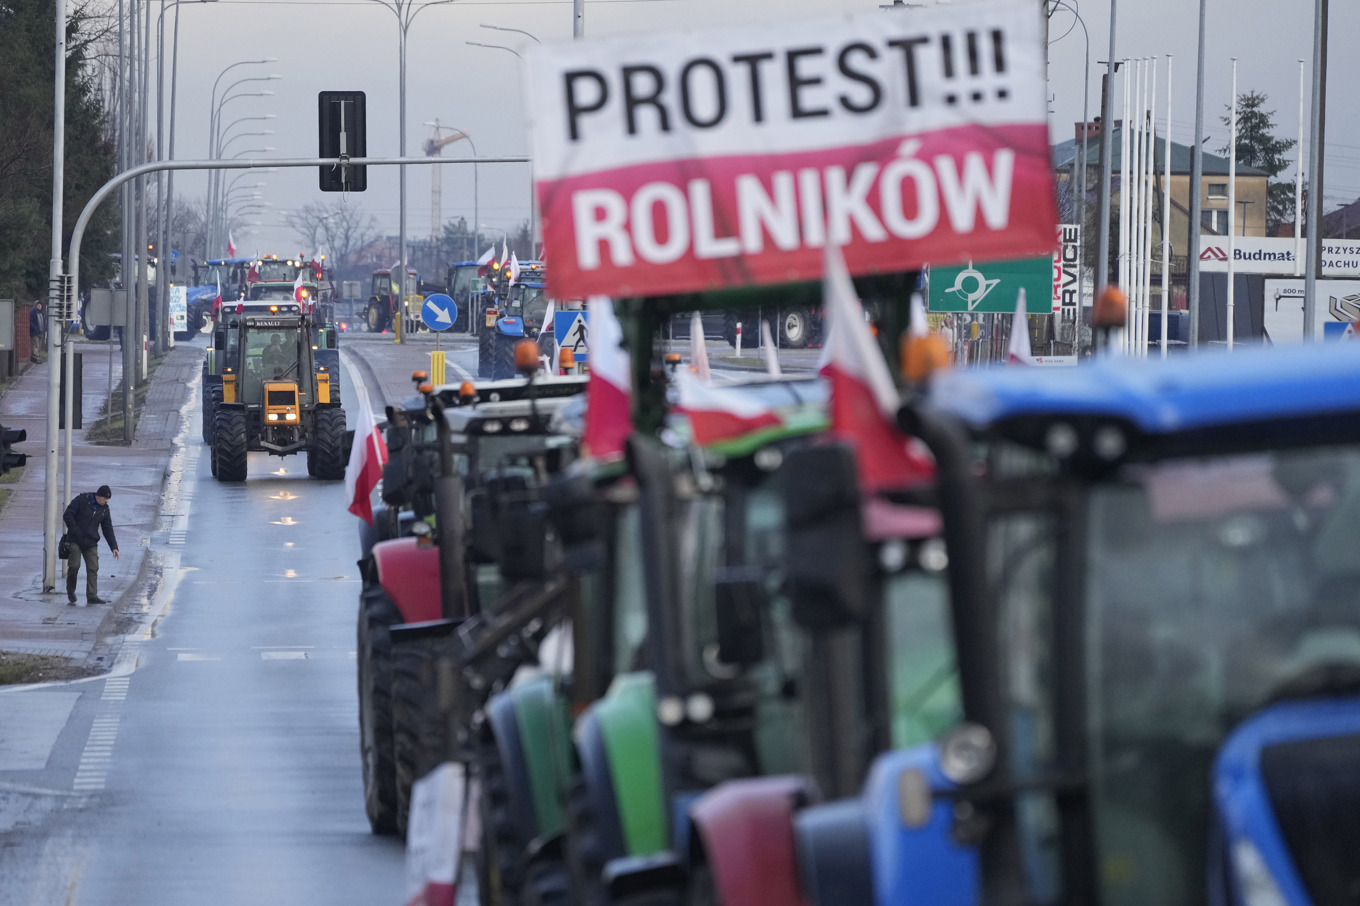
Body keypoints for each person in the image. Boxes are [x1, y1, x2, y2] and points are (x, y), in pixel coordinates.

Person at [63, 485, 119, 605]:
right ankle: (71, 590)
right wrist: (75, 531)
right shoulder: (82, 500)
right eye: (104, 499)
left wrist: (114, 547)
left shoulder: (104, 509)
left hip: (91, 542)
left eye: (107, 500)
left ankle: (92, 595)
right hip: (75, 540)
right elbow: (67, 515)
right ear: (98, 496)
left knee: (93, 568)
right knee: (74, 566)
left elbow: (107, 528)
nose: (106, 502)